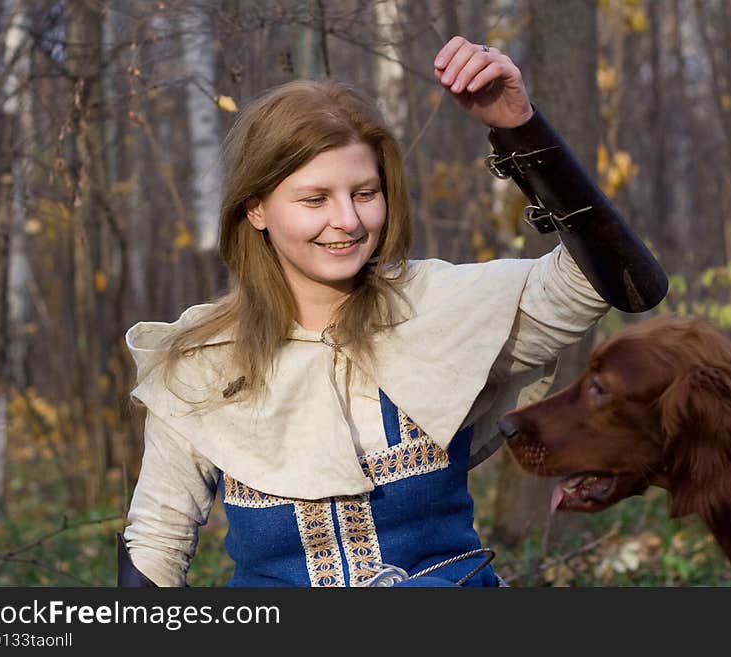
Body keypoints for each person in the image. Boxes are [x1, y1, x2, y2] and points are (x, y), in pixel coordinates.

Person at [118, 36, 667, 587]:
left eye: (365, 193)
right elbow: (156, 550)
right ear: (255, 209)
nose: (349, 221)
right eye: (315, 199)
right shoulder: (201, 360)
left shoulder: (439, 307)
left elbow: (623, 285)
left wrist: (520, 129)